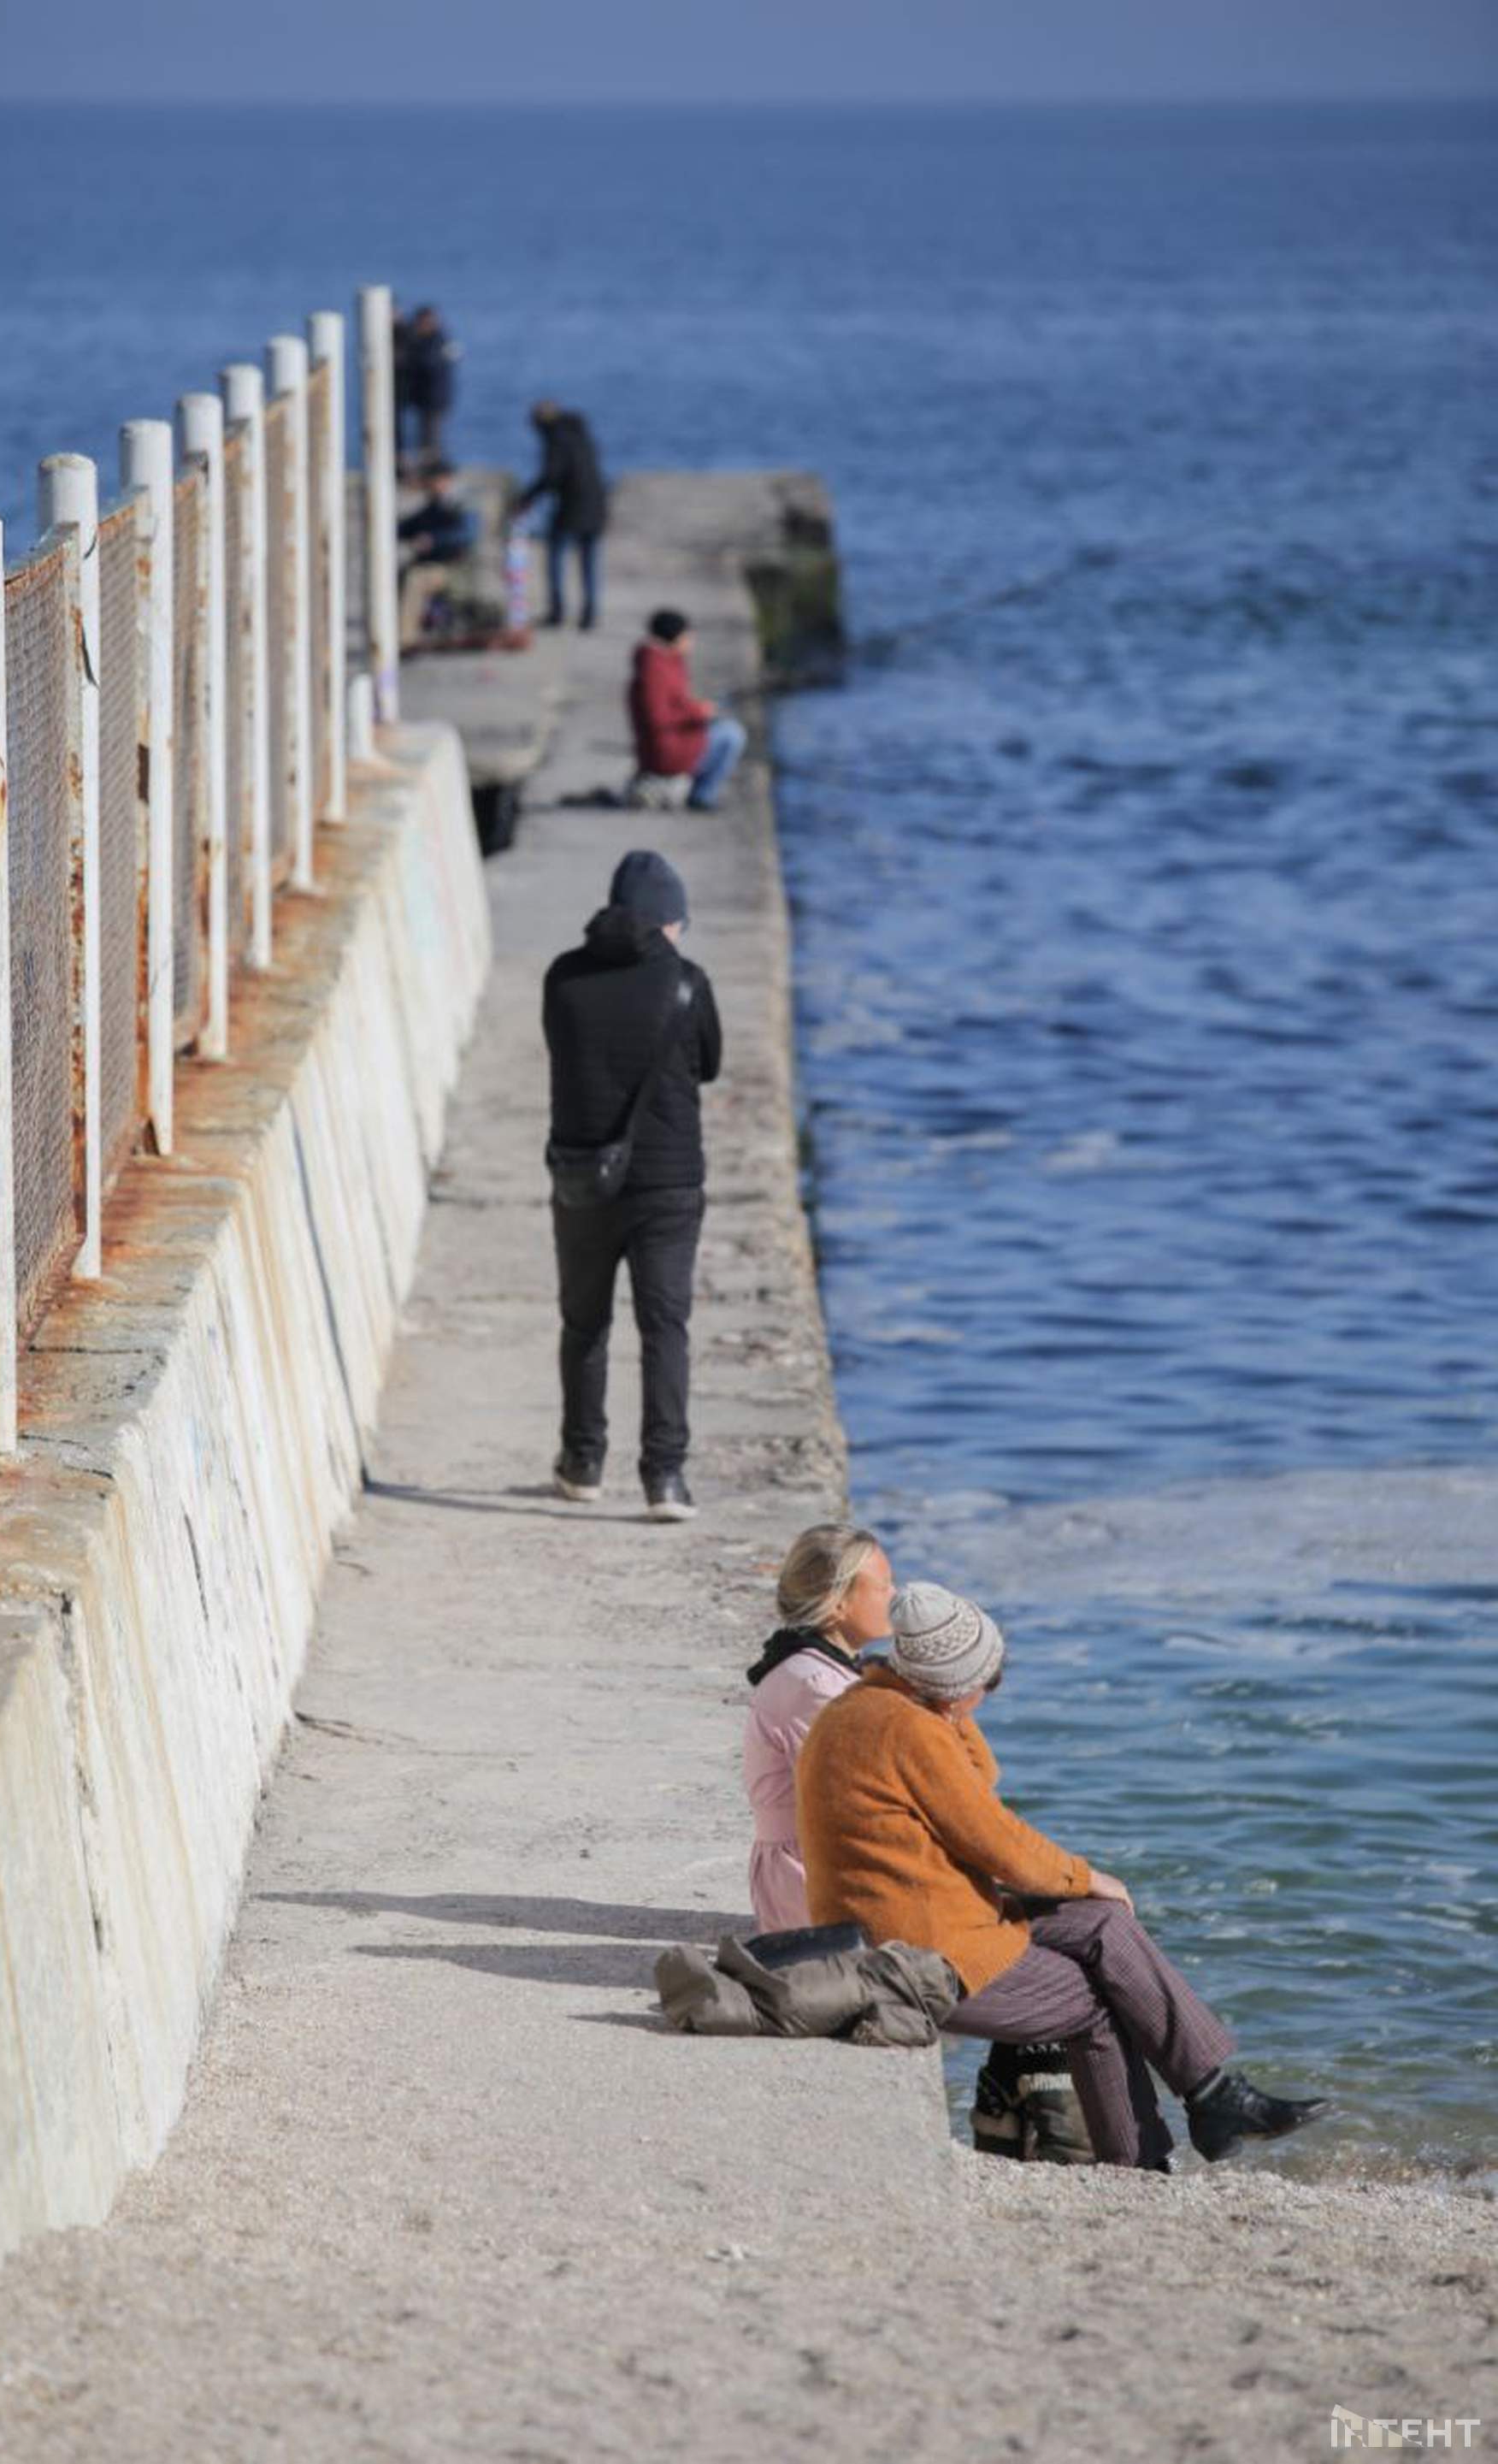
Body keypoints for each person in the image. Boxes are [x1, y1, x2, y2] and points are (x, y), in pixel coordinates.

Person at [797, 1582, 1331, 2171]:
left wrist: (950, 1708)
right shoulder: (912, 1730)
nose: (991, 1690)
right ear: (951, 1683)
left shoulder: (862, 1706)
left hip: (921, 1922)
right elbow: (999, 1842)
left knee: (1102, 1923)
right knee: (1099, 2002)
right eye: (988, 1678)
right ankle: (1142, 2163)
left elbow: (980, 1777)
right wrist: (1084, 1874)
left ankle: (1214, 2094)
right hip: (919, 1956)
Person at [543, 851, 721, 1522]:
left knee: (584, 1321)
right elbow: (709, 1062)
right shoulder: (686, 983)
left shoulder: (562, 977)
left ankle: (582, 1461)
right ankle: (665, 1477)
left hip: (582, 1174)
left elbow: (563, 1048)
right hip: (668, 1184)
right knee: (664, 1325)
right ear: (670, 923)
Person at [744, 1526, 893, 1931]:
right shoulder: (815, 1688)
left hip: (815, 1861)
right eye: (883, 1587)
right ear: (837, 1605)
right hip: (812, 1878)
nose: (894, 1596)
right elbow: (857, 1802)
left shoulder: (822, 1669)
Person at [628, 610, 746, 812]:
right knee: (732, 734)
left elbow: (673, 705)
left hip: (667, 745)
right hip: (665, 753)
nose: (691, 643)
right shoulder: (656, 669)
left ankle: (697, 794)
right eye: (688, 637)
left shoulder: (659, 662)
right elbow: (657, 716)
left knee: (722, 728)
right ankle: (701, 797)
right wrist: (699, 712)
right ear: (676, 638)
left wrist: (697, 709)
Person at [514, 401, 607, 630]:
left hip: (572, 508)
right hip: (597, 506)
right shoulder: (582, 436)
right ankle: (589, 614)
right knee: (589, 562)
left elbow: (550, 476)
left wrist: (526, 498)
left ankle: (558, 612)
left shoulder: (556, 440)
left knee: (556, 558)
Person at [396, 461, 479, 653]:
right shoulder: (435, 504)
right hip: (434, 565)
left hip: (456, 569)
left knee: (416, 579)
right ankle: (399, 631)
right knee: (401, 573)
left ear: (445, 480)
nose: (428, 485)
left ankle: (405, 640)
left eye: (432, 481)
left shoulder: (462, 505)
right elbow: (411, 526)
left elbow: (467, 536)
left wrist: (434, 540)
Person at [392, 305, 459, 472]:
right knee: (427, 436)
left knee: (430, 438)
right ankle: (429, 469)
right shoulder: (434, 340)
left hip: (433, 399)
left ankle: (431, 471)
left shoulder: (435, 341)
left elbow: (428, 364)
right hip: (428, 398)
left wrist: (407, 360)